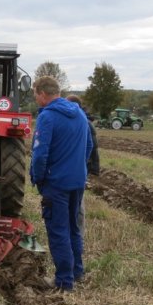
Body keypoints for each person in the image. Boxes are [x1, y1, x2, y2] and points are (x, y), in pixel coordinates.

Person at [30, 76, 92, 292]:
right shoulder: (80, 114)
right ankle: (77, 271)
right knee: (74, 227)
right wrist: (77, 169)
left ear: (42, 93)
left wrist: (39, 179)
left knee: (58, 231)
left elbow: (39, 155)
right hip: (76, 182)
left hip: (56, 184)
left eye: (35, 94)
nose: (35, 98)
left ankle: (64, 281)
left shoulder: (47, 117)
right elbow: (89, 146)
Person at [65, 94, 100, 236]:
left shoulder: (84, 122)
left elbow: (91, 147)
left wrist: (83, 164)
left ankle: (78, 234)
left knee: (78, 205)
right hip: (79, 168)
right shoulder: (82, 120)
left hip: (79, 169)